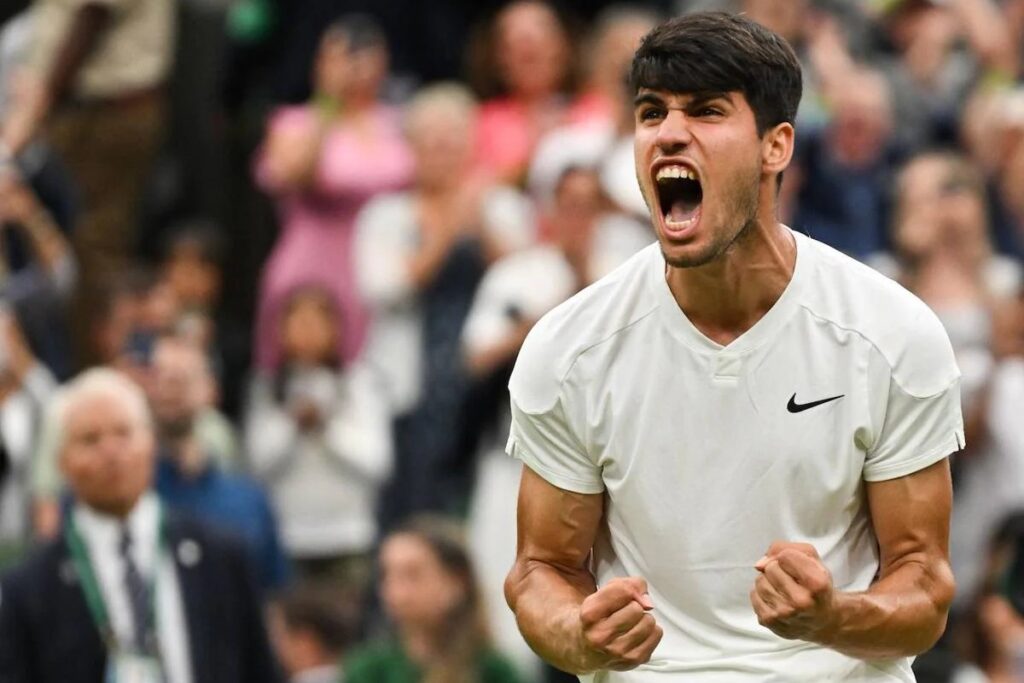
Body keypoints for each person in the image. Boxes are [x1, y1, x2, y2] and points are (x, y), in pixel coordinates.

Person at [504, 12, 962, 681]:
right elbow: (540, 569)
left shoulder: (892, 334)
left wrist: (831, 616)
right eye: (651, 112)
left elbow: (924, 586)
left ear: (776, 147)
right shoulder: (568, 349)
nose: (669, 134)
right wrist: (579, 633)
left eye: (707, 111)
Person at [0, 367, 281, 682]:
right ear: (62, 461)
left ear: (150, 442)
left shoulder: (221, 558)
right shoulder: (29, 588)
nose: (111, 452)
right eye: (90, 439)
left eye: (123, 432)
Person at [253, 15, 412, 373]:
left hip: (381, 272)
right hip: (312, 268)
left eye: (366, 53)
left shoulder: (398, 122)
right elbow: (292, 175)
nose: (355, 66)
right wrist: (327, 102)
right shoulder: (293, 122)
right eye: (341, 57)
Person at [244, 285, 392, 579]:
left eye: (317, 322)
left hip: (348, 538)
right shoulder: (266, 386)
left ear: (336, 328)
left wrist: (327, 427)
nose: (307, 332)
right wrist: (292, 425)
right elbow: (256, 465)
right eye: (297, 322)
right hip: (285, 538)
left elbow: (377, 464)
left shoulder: (360, 384)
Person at [345, 515, 522, 683]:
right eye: (387, 575)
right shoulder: (368, 669)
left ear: (456, 582)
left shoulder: (494, 671)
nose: (396, 591)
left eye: (413, 575)